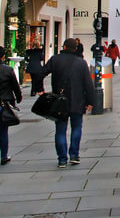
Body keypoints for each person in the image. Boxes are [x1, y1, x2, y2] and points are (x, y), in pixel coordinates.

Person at [39, 38, 96, 168]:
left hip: (60, 102)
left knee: (60, 130)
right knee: (76, 128)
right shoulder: (81, 63)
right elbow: (88, 84)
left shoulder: (55, 59)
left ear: (64, 47)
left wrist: (40, 89)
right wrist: (90, 101)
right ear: (76, 49)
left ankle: (62, 159)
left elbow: (41, 73)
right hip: (77, 101)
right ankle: (74, 155)